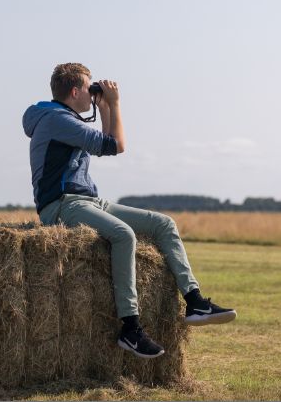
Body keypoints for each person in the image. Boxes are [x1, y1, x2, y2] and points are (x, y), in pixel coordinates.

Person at [22, 62, 236, 359]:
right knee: (123, 235)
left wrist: (105, 105)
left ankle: (195, 301)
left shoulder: (63, 118)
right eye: (89, 87)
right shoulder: (57, 120)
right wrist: (115, 102)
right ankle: (130, 328)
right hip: (61, 205)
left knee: (163, 224)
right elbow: (117, 145)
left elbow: (107, 142)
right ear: (74, 91)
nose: (93, 91)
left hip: (87, 200)